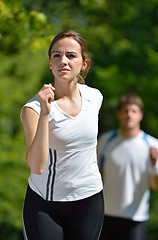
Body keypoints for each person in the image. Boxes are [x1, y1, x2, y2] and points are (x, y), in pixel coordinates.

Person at [21, 30, 104, 240]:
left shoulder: (95, 97)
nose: (63, 61)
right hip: (46, 204)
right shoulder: (33, 109)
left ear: (83, 64)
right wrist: (45, 115)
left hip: (89, 199)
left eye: (71, 55)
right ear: (50, 63)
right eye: (56, 55)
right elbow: (37, 166)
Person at [97, 94, 158, 240]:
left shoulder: (153, 145)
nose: (129, 115)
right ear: (118, 114)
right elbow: (97, 176)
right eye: (125, 111)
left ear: (141, 115)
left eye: (133, 111)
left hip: (136, 218)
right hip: (106, 215)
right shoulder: (105, 141)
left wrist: (154, 164)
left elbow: (156, 186)